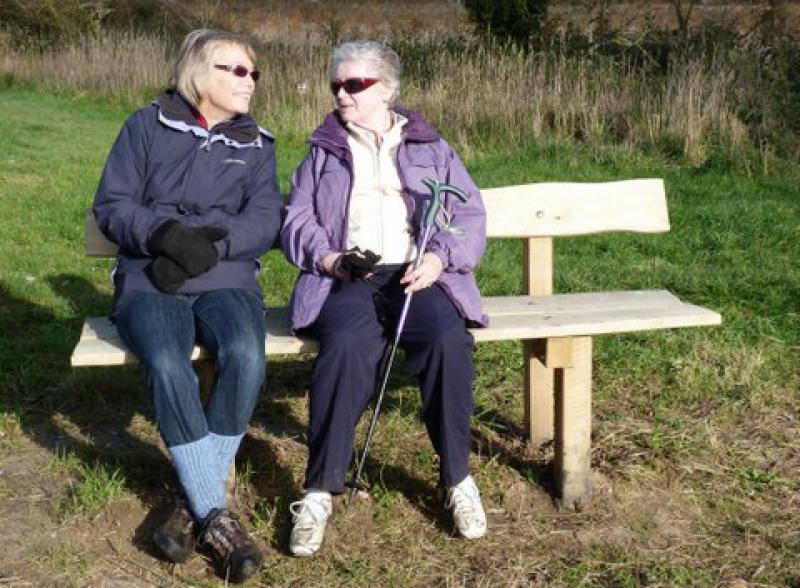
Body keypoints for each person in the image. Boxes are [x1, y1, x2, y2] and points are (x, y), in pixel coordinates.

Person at [281, 40, 488, 557]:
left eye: (354, 84)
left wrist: (438, 258)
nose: (341, 94)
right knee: (346, 347)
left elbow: (468, 214)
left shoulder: (430, 147)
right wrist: (331, 259)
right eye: (336, 84)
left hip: (417, 274)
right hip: (352, 274)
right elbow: (297, 218)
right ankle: (318, 491)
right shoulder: (324, 150)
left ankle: (457, 478)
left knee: (446, 341)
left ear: (387, 90)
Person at [92, 28, 281, 583]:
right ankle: (217, 515)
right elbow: (113, 204)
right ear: (199, 74)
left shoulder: (257, 144)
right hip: (152, 276)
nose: (250, 80)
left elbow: (264, 218)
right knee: (167, 362)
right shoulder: (145, 127)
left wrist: (212, 247)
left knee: (245, 353)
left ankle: (191, 502)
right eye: (236, 70)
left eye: (253, 72)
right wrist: (166, 235)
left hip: (225, 277)